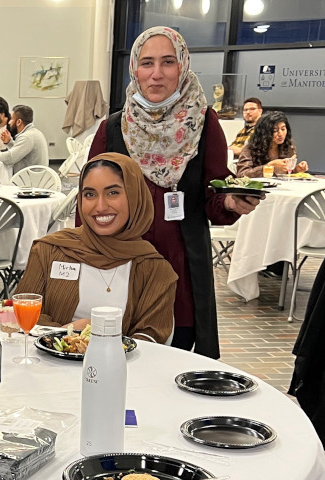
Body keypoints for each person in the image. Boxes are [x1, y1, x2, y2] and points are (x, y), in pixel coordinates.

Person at [88, 26, 259, 358]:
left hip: (179, 266)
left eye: (167, 62)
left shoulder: (204, 123)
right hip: (120, 266)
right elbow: (89, 200)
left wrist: (231, 201)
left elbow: (213, 194)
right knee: (112, 353)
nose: (156, 74)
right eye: (147, 63)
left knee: (175, 357)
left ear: (183, 66)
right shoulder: (113, 128)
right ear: (134, 69)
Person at [17, 153, 177, 343]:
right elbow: (21, 312)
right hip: (46, 366)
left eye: (113, 192)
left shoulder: (155, 270)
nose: (100, 206)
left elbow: (151, 338)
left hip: (121, 369)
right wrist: (67, 335)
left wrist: (104, 339)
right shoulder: (49, 251)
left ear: (135, 197)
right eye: (90, 194)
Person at [236, 111, 309, 178]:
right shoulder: (250, 149)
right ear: (264, 133)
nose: (280, 134)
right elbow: (241, 175)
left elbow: (285, 173)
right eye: (275, 130)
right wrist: (269, 167)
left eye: (283, 129)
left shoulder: (287, 146)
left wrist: (296, 170)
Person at [0, 104, 48, 174]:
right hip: (35, 178)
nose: (9, 122)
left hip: (29, 181)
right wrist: (9, 142)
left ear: (19, 122)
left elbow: (9, 158)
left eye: (12, 119)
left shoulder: (27, 137)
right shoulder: (33, 133)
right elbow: (20, 152)